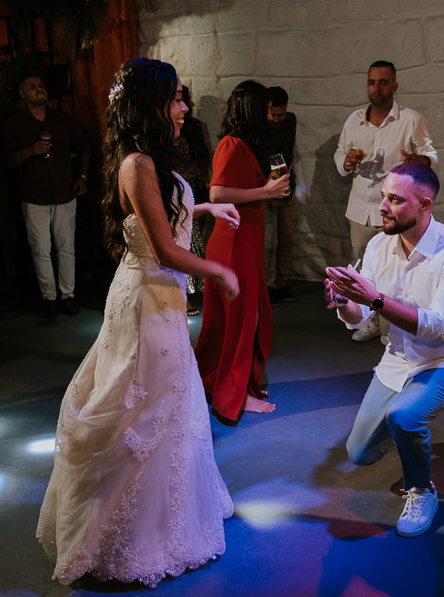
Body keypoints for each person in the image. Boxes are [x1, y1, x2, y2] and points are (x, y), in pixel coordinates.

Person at [36, 58, 239, 588]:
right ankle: (128, 539)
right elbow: (166, 251)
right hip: (145, 298)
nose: (183, 107)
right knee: (140, 409)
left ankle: (172, 518)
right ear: (150, 104)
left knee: (173, 403)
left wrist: (207, 212)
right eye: (175, 98)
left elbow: (163, 220)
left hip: (162, 297)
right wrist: (218, 270)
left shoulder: (152, 160)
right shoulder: (136, 164)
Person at [324, 163, 444, 538]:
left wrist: (375, 299)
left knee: (405, 417)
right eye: (383, 196)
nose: (382, 206)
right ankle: (410, 439)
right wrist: (344, 301)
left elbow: (438, 324)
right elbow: (360, 315)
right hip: (398, 360)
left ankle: (422, 490)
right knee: (359, 453)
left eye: (395, 200)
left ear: (424, 205)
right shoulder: (379, 244)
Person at [194, 80, 291, 425]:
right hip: (234, 240)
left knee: (231, 320)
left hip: (243, 239)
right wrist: (265, 191)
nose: (270, 114)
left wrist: (269, 190)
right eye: (264, 108)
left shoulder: (243, 145)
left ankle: (211, 380)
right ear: (251, 110)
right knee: (241, 320)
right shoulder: (230, 144)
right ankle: (235, 394)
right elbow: (217, 193)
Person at [333, 60, 438, 342]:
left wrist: (420, 161)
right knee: (365, 271)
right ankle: (371, 322)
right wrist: (345, 161)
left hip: (395, 210)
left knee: (395, 270)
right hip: (360, 208)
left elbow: (432, 156)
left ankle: (394, 329)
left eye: (382, 82)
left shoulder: (411, 120)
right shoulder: (354, 120)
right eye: (371, 82)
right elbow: (340, 154)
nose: (376, 87)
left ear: (394, 86)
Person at [3, 74, 91, 317]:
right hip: (33, 195)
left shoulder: (63, 120)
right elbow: (8, 161)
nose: (38, 89)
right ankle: (49, 297)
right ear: (22, 93)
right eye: (31, 86)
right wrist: (31, 150)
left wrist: (83, 178)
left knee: (66, 247)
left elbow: (85, 147)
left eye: (41, 85)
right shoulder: (16, 124)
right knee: (40, 248)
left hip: (65, 192)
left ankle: (68, 295)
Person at [173, 84, 211, 316]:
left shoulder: (193, 127)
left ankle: (190, 289)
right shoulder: (167, 137)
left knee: (195, 241)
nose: (188, 107)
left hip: (193, 185)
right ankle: (184, 295)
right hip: (177, 189)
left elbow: (203, 157)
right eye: (181, 100)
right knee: (184, 242)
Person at [262, 86, 299, 307]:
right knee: (268, 243)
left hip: (287, 185)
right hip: (265, 188)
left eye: (281, 114)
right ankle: (268, 286)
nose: (277, 119)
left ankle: (281, 284)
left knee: (287, 240)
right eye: (273, 114)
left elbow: (287, 149)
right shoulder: (259, 126)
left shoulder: (291, 121)